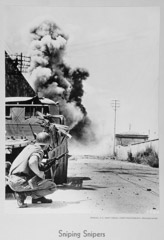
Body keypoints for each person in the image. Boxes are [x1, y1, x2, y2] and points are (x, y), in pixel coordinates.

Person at [8, 132, 57, 208]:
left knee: (39, 178)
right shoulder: (39, 150)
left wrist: (43, 164)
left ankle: (38, 198)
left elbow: (28, 162)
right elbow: (32, 162)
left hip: (12, 180)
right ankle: (22, 194)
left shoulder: (30, 147)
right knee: (52, 187)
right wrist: (39, 173)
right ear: (47, 144)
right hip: (20, 182)